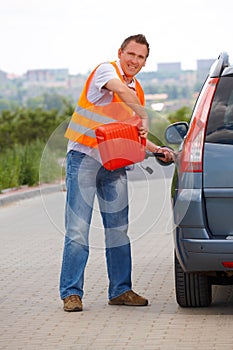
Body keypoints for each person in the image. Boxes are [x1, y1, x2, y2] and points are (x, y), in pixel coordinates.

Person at [60, 34, 174, 312]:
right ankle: (71, 293)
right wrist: (145, 115)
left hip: (113, 165)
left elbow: (131, 133)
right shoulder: (106, 71)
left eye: (141, 57)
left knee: (118, 230)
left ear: (145, 62)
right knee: (78, 229)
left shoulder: (138, 92)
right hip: (84, 160)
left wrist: (156, 148)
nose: (135, 61)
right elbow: (121, 92)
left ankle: (120, 290)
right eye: (131, 54)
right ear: (120, 53)